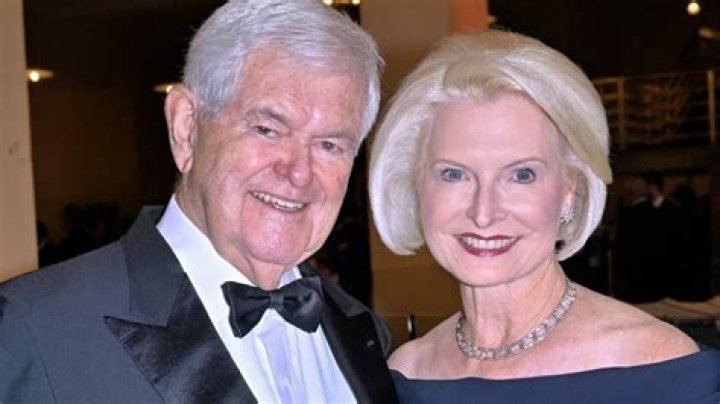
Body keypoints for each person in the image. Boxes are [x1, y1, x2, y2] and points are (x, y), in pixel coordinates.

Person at [0, 1, 398, 402]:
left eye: (330, 145)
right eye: (267, 129)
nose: (298, 173)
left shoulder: (363, 332)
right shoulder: (36, 330)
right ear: (186, 127)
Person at [368, 30, 720, 402]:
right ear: (415, 184)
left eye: (522, 175)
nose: (483, 212)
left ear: (570, 189)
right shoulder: (405, 373)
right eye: (454, 174)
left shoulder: (662, 371)